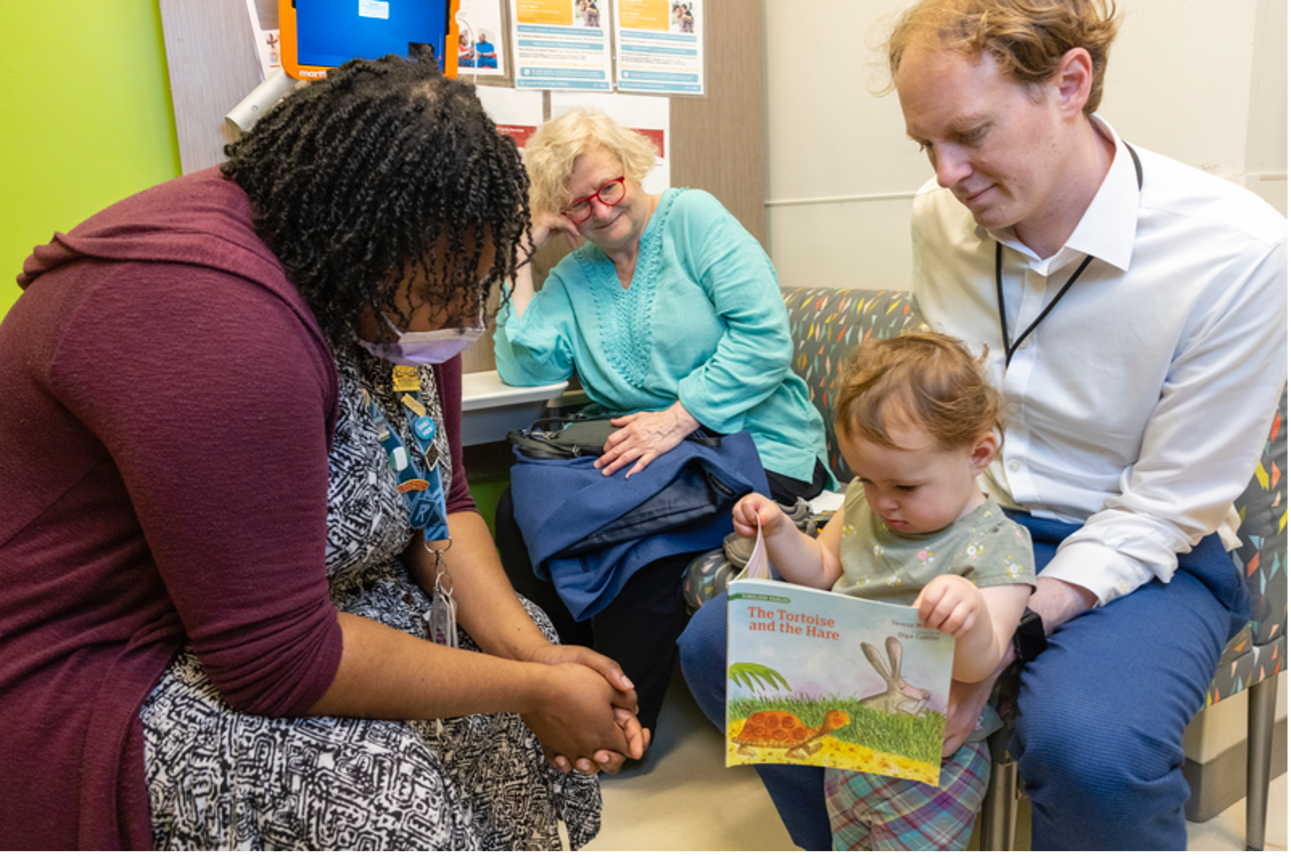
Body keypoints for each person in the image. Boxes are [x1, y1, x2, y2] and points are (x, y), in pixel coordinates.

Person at [681, 0, 1287, 851]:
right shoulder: (939, 215)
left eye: (969, 134)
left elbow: (1166, 507)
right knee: (723, 645)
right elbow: (938, 406)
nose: (945, 173)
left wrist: (1005, 634)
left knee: (1090, 749)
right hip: (963, 518)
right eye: (924, 144)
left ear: (1069, 84)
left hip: (1142, 552)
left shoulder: (1237, 250)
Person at [0, 55, 645, 851]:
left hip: (307, 610)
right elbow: (274, 657)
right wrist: (525, 691)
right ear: (359, 248)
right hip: (113, 655)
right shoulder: (209, 315)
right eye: (442, 290)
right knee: (378, 795)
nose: (459, 314)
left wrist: (535, 663)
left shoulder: (404, 277)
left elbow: (439, 507)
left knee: (522, 647)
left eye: (475, 283)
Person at [493, 108, 834, 736]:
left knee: (643, 548)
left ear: (632, 166)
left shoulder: (693, 220)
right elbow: (524, 365)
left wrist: (678, 418)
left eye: (608, 187)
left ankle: (619, 727)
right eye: (577, 206)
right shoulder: (574, 274)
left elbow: (764, 341)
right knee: (519, 514)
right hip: (656, 461)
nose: (600, 211)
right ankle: (568, 689)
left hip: (759, 447)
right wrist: (520, 256)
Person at [735, 332, 1034, 852]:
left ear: (978, 454)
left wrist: (969, 615)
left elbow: (980, 665)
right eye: (866, 479)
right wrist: (780, 531)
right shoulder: (863, 501)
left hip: (936, 760)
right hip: (847, 737)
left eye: (904, 487)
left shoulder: (998, 543)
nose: (881, 502)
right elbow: (822, 570)